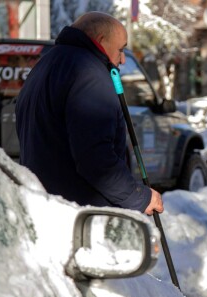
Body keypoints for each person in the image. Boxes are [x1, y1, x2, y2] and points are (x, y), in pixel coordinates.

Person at [16, 11, 163, 215]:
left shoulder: (44, 65)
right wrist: (139, 196)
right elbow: (95, 158)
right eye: (120, 50)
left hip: (46, 206)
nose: (122, 60)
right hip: (84, 216)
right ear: (101, 41)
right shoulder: (89, 74)